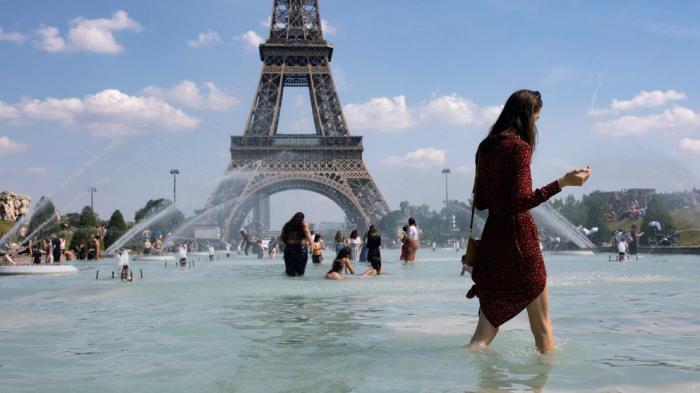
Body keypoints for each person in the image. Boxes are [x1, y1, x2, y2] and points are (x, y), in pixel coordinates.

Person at [466, 89, 591, 354]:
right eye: (537, 118)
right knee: (543, 327)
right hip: (520, 242)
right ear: (527, 116)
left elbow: (482, 202)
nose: (536, 124)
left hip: (492, 242)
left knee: (481, 336)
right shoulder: (519, 148)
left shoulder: (485, 147)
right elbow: (521, 201)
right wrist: (562, 183)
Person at [280, 212, 313, 277]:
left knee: (290, 273)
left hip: (290, 247)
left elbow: (282, 236)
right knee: (300, 273)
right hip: (301, 248)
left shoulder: (288, 225)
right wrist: (311, 246)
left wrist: (288, 244)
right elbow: (307, 232)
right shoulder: (303, 224)